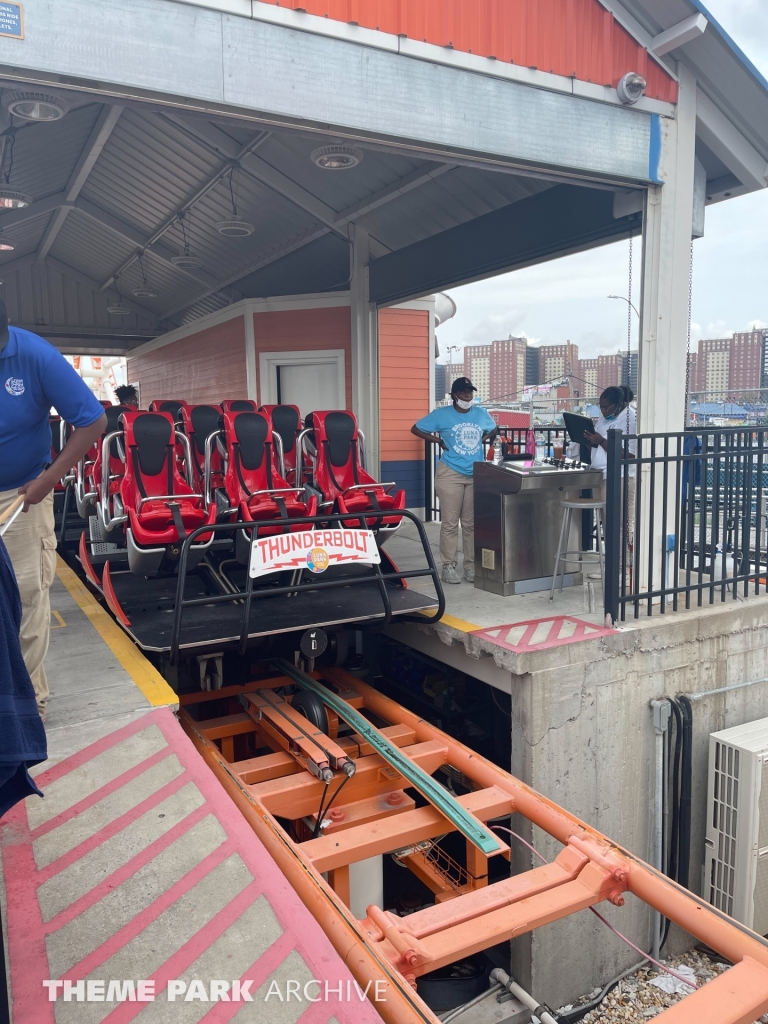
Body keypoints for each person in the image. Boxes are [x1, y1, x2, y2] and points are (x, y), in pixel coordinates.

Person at [0, 304, 108, 720]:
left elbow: (92, 422)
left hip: (22, 494)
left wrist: (48, 480)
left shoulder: (36, 355)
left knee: (27, 597)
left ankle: (27, 706)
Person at [411, 377, 498, 584]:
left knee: (470, 524)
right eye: (463, 391)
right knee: (450, 523)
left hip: (474, 473)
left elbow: (493, 429)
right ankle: (448, 566)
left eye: (470, 391)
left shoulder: (481, 414)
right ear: (454, 395)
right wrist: (438, 440)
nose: (468, 395)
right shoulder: (441, 415)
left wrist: (482, 440)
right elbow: (416, 428)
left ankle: (470, 566)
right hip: (450, 473)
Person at [583, 385, 637, 537]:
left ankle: (624, 561)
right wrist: (590, 441)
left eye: (606, 407)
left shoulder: (630, 418)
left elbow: (629, 454)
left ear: (619, 405)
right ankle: (610, 560)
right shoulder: (603, 418)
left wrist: (601, 441)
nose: (603, 411)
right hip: (600, 474)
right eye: (601, 407)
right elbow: (599, 445)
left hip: (618, 477)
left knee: (620, 526)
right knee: (606, 524)